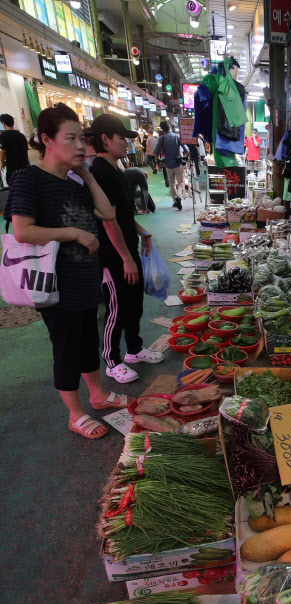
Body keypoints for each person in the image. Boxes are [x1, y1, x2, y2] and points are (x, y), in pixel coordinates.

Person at [4, 103, 122, 439]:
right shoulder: (29, 178)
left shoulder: (76, 182)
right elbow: (22, 231)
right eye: (70, 139)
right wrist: (72, 233)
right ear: (47, 140)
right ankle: (75, 413)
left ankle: (97, 395)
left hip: (85, 280)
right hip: (54, 286)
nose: (80, 146)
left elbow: (107, 212)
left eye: (81, 139)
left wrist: (86, 174)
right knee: (67, 346)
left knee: (87, 341)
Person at [86, 114, 163, 384]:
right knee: (116, 308)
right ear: (105, 139)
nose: (127, 144)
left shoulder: (115, 169)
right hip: (112, 255)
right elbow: (109, 223)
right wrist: (126, 259)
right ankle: (112, 361)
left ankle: (134, 350)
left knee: (134, 303)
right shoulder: (99, 173)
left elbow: (122, 215)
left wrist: (143, 232)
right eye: (122, 138)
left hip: (127, 250)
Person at [155, 120, 184, 210]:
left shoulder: (161, 138)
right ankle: (179, 196)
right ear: (170, 127)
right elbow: (185, 147)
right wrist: (188, 154)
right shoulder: (177, 136)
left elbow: (156, 150)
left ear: (163, 129)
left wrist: (157, 160)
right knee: (180, 182)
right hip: (178, 163)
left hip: (167, 163)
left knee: (172, 183)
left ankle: (175, 201)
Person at [0, 113, 29, 184]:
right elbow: (26, 150)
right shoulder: (21, 135)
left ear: (3, 123)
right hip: (25, 167)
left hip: (12, 168)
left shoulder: (4, 135)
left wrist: (1, 162)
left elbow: (3, 151)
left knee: (14, 187)